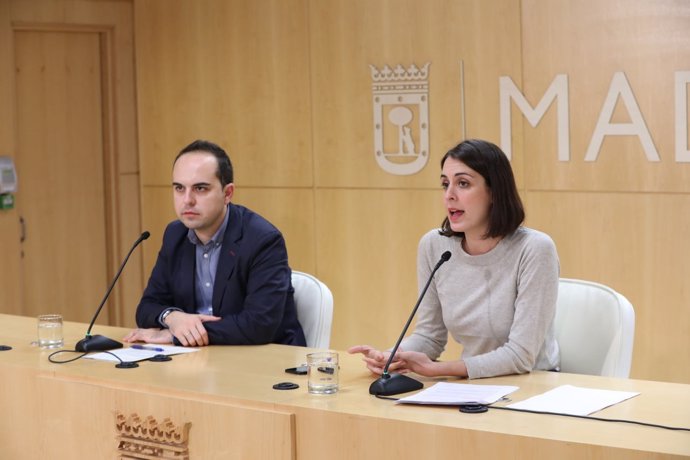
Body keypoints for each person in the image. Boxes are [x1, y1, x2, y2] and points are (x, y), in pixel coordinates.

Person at [349, 139, 560, 379]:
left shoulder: (534, 249)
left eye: (463, 183)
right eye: (445, 184)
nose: (449, 195)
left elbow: (521, 356)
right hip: (473, 384)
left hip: (534, 383)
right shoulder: (435, 246)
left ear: (494, 192)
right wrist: (390, 357)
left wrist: (436, 369)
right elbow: (430, 336)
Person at [123, 140, 306, 347]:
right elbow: (147, 307)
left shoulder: (262, 240)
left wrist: (177, 335)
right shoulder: (175, 235)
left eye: (200, 188)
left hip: (266, 365)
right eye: (179, 188)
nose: (187, 200)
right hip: (199, 362)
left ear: (227, 193)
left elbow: (259, 325)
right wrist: (172, 318)